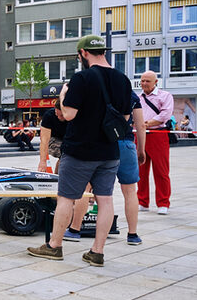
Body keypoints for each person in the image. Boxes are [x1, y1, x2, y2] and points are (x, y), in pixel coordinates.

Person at [27, 35, 133, 267]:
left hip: (80, 151)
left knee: (66, 197)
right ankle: (97, 252)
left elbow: (68, 115)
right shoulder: (123, 80)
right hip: (110, 151)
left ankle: (54, 246)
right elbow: (124, 119)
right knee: (105, 200)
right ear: (103, 52)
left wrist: (64, 94)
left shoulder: (81, 78)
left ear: (83, 53)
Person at [65, 92, 146, 246]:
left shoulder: (101, 91)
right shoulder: (132, 96)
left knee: (87, 187)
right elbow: (141, 125)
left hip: (102, 144)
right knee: (129, 191)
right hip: (126, 144)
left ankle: (75, 230)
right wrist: (141, 149)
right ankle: (133, 234)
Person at [137, 70, 173, 214]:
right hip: (140, 135)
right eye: (142, 80)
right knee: (140, 171)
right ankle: (142, 201)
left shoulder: (165, 96)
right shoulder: (137, 97)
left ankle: (163, 203)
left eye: (148, 81)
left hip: (158, 134)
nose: (144, 83)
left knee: (161, 170)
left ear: (155, 82)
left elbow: (165, 114)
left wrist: (147, 123)